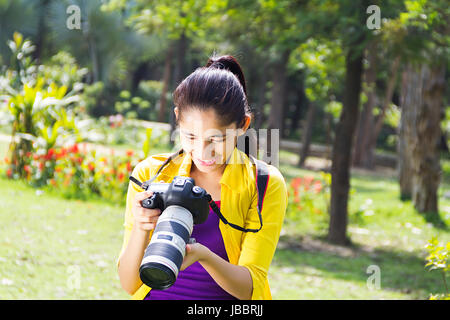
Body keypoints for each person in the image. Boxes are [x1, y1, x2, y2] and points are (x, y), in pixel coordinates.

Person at [117, 55, 288, 300]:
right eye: (191, 137)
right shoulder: (151, 174)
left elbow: (250, 288)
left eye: (216, 139)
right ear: (177, 117)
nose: (202, 152)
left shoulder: (262, 184)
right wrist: (142, 229)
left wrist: (204, 256)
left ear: (243, 124)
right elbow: (129, 283)